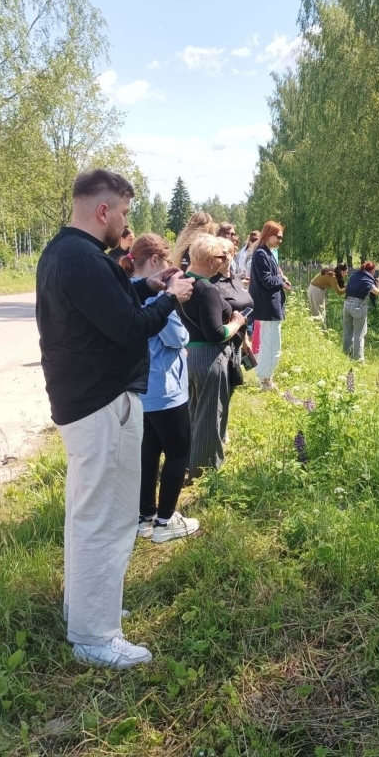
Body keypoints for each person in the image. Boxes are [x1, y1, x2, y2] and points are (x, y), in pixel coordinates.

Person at [36, 169, 193, 669]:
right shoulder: (83, 259)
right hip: (100, 403)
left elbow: (111, 305)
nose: (125, 222)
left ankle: (87, 609)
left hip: (89, 402)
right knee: (105, 517)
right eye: (123, 212)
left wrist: (147, 285)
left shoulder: (68, 253)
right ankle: (95, 635)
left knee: (90, 514)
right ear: (102, 210)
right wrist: (170, 298)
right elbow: (128, 328)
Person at [120, 233, 199, 544]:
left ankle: (145, 517)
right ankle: (166, 521)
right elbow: (178, 337)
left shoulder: (126, 291)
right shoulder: (156, 298)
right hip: (165, 389)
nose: (169, 267)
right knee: (178, 452)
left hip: (140, 388)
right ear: (155, 261)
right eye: (167, 261)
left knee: (148, 454)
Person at [180, 234, 247, 475]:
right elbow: (216, 333)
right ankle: (204, 470)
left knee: (192, 412)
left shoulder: (182, 281)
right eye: (221, 257)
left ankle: (186, 461)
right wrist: (237, 323)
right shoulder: (207, 290)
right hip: (209, 358)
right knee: (209, 415)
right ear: (210, 260)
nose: (224, 260)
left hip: (187, 355)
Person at [209, 238, 255, 438]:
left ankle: (222, 427)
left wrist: (246, 339)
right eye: (220, 252)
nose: (224, 256)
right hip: (220, 345)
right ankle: (214, 432)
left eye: (227, 252)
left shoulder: (236, 278)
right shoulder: (212, 282)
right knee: (218, 391)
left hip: (237, 341)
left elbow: (245, 306)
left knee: (231, 386)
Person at [248, 221, 291, 390]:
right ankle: (265, 380)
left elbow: (272, 277)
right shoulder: (261, 254)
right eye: (278, 237)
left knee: (268, 344)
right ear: (268, 234)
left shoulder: (267, 253)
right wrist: (281, 279)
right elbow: (267, 280)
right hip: (267, 306)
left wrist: (281, 280)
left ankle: (265, 377)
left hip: (269, 305)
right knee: (273, 346)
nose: (280, 240)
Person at [343, 261, 379, 362]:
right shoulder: (367, 280)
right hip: (358, 306)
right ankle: (358, 359)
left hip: (346, 304)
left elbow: (346, 287)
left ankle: (346, 355)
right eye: (374, 271)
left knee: (347, 333)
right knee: (359, 334)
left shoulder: (353, 276)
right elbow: (378, 292)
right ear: (372, 270)